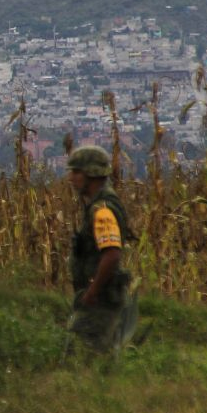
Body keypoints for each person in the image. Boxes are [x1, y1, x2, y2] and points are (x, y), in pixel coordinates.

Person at [65, 145, 138, 353]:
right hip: (102, 295)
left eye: (76, 172)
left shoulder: (102, 211)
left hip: (101, 299)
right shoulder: (98, 206)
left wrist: (92, 292)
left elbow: (112, 254)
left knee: (81, 352)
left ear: (92, 174)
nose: (71, 178)